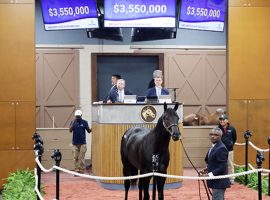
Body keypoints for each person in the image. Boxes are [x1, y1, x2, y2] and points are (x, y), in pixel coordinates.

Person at [199, 127, 231, 200]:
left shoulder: (221, 148)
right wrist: (206, 169)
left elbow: (222, 167)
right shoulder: (213, 147)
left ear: (220, 136)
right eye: (211, 134)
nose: (213, 136)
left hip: (219, 182)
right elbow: (215, 163)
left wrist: (209, 175)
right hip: (215, 182)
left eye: (216, 135)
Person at [69, 109, 91, 174]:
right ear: (75, 116)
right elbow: (70, 130)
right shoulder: (73, 122)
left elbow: (88, 131)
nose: (77, 117)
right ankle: (76, 169)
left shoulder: (84, 122)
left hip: (82, 143)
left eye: (78, 116)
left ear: (81, 115)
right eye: (76, 116)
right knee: (75, 157)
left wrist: (92, 128)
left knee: (81, 157)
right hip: (75, 143)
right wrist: (73, 123)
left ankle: (81, 170)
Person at [218, 113, 237, 184]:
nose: (222, 121)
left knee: (230, 164)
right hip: (220, 151)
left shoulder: (232, 128)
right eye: (220, 119)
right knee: (220, 164)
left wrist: (230, 144)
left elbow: (234, 138)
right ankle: (221, 178)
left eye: (223, 119)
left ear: (227, 120)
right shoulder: (217, 129)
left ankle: (231, 179)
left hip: (229, 150)